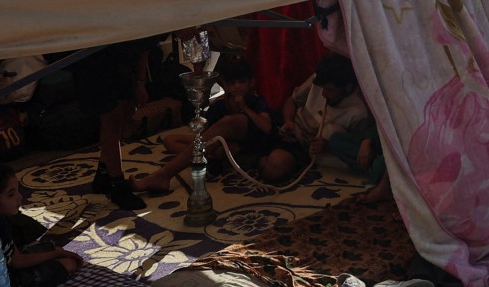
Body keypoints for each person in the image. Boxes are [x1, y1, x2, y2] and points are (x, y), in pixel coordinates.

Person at [137, 56, 274, 194]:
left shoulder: (257, 102)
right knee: (170, 140)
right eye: (233, 83)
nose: (237, 86)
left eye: (242, 82)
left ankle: (166, 174)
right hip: (219, 144)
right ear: (226, 85)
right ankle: (208, 158)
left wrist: (245, 108)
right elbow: (207, 135)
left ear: (251, 83)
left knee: (228, 144)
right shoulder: (221, 104)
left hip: (246, 143)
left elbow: (267, 127)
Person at [0, 164, 83, 287]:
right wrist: (57, 254)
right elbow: (18, 261)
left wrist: (55, 252)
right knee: (68, 264)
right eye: (11, 194)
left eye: (17, 191)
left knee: (49, 248)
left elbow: (15, 256)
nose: (19, 197)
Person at [69, 37, 155, 210]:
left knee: (127, 111)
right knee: (111, 119)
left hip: (121, 61)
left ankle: (103, 173)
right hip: (95, 55)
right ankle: (118, 184)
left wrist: (140, 82)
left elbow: (144, 48)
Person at [261, 53, 370, 182]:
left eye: (329, 90)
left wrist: (327, 146)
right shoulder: (319, 80)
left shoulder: (358, 111)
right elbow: (291, 101)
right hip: (290, 128)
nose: (323, 94)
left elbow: (351, 147)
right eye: (322, 88)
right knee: (240, 125)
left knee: (274, 169)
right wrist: (288, 121)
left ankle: (260, 155)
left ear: (348, 87)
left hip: (306, 147)